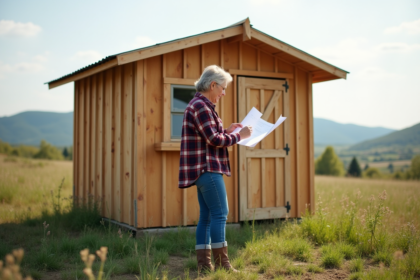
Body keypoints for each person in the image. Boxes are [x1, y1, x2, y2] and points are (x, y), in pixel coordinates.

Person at [178, 65, 252, 272]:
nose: (224, 93)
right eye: (223, 88)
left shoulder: (199, 105)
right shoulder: (201, 106)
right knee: (221, 213)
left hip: (202, 170)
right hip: (207, 169)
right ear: (212, 85)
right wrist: (239, 136)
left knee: (207, 217)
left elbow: (210, 135)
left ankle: (204, 266)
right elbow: (212, 139)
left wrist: (226, 130)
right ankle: (222, 265)